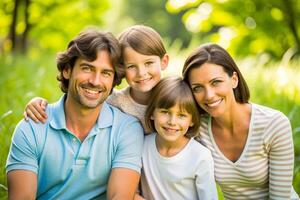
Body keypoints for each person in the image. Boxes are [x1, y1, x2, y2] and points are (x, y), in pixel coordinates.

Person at [6, 29, 144, 199]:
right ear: (67, 70)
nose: (95, 81)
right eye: (87, 68)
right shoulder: (32, 128)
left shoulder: (127, 129)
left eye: (106, 73)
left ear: (114, 80)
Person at [182, 43, 299, 199]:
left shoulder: (274, 124)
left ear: (234, 79)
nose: (209, 95)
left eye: (216, 82)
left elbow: (280, 197)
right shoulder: (197, 129)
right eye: (197, 88)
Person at [23, 25, 169, 134]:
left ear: (164, 62)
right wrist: (38, 103)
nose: (142, 73)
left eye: (148, 63)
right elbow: (79, 102)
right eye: (131, 66)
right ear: (121, 69)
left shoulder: (176, 95)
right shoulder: (115, 101)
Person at [140, 76, 218, 200]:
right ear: (152, 113)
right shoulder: (142, 146)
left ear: (192, 120)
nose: (172, 121)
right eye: (165, 112)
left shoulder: (200, 156)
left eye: (181, 115)